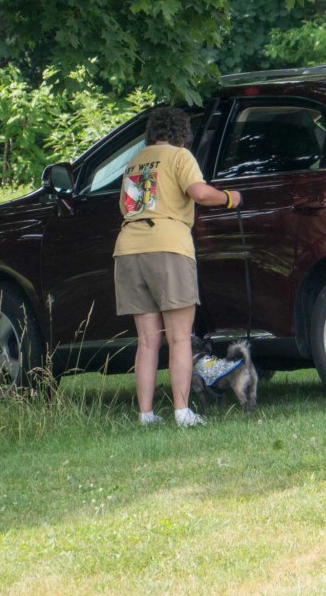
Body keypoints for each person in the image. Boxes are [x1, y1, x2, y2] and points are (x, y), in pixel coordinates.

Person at [113, 106, 241, 427]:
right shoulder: (180, 156)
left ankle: (146, 415)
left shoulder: (134, 162)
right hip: (168, 246)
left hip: (129, 248)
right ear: (182, 132)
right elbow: (199, 193)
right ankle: (182, 412)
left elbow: (127, 205)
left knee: (146, 340)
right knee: (180, 338)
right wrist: (229, 198)